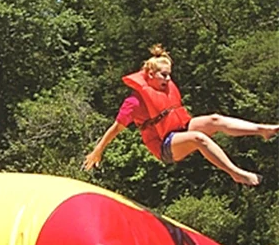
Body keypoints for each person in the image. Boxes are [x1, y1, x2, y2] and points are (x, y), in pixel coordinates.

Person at [83, 44, 278, 187]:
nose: (168, 80)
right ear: (150, 74)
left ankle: (263, 130)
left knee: (214, 119)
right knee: (198, 138)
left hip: (180, 127)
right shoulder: (134, 102)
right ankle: (237, 174)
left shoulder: (164, 87)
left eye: (169, 75)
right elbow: (115, 129)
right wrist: (98, 150)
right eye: (164, 75)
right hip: (164, 145)